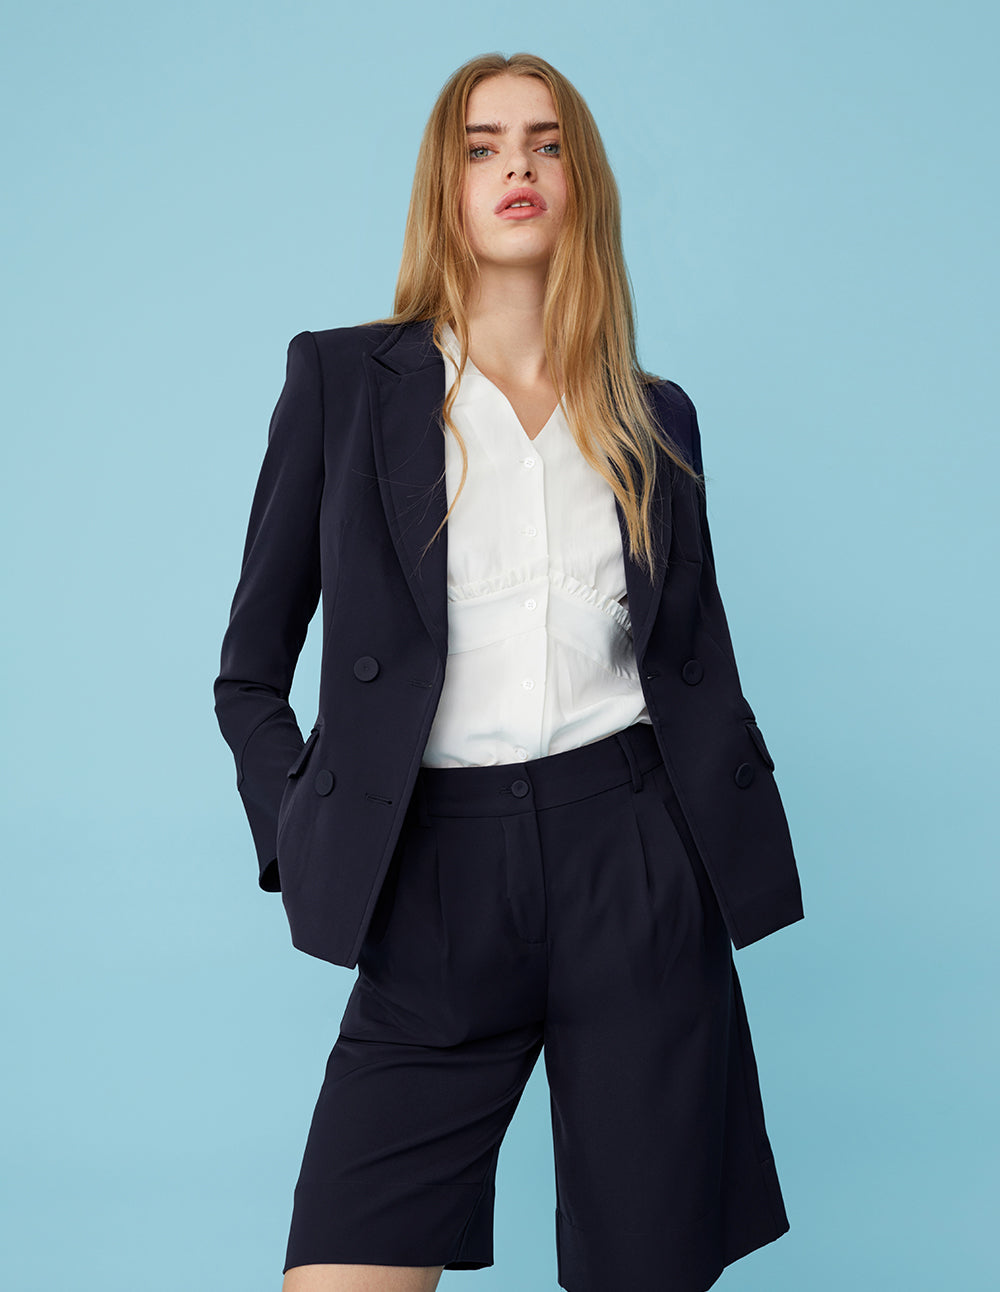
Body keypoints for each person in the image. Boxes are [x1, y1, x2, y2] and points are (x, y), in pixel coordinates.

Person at [213, 50, 804, 1292]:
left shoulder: (655, 416)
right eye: (481, 147)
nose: (515, 166)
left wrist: (698, 846)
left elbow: (692, 665)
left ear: (580, 181)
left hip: (631, 867)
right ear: (446, 186)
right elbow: (247, 672)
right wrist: (308, 828)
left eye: (544, 142)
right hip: (430, 875)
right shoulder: (341, 381)